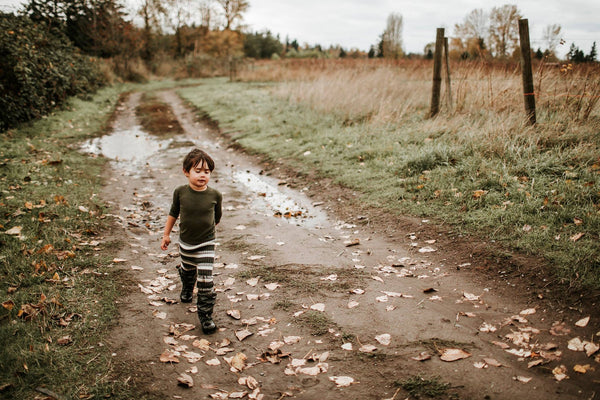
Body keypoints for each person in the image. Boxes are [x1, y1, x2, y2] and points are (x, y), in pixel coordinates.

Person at [161, 148, 222, 334]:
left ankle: (205, 316)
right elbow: (173, 214)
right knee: (188, 268)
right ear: (186, 172)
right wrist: (166, 234)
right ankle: (187, 286)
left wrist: (206, 231)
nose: (202, 175)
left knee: (206, 279)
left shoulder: (215, 195)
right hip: (186, 242)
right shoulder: (180, 192)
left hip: (207, 243)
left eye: (207, 172)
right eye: (198, 171)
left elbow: (216, 218)